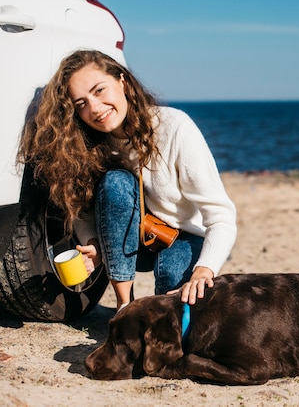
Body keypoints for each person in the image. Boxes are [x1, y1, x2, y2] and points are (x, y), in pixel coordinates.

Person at [18, 49, 237, 310]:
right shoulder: (85, 145)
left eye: (99, 91)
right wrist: (93, 244)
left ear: (122, 81)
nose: (95, 109)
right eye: (81, 104)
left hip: (184, 237)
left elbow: (221, 216)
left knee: (174, 305)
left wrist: (205, 270)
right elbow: (81, 208)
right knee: (115, 182)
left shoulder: (174, 126)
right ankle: (125, 305)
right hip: (131, 243)